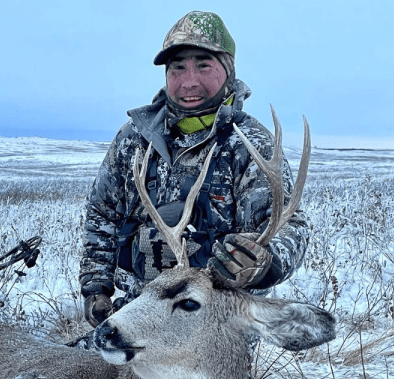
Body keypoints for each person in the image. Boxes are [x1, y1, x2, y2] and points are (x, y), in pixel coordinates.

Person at [79, 11, 309, 327]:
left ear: (228, 70)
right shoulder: (133, 138)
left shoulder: (250, 143)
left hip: (214, 321)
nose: (189, 81)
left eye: (203, 65)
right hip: (136, 312)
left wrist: (264, 261)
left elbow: (288, 224)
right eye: (178, 67)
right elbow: (102, 216)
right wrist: (96, 289)